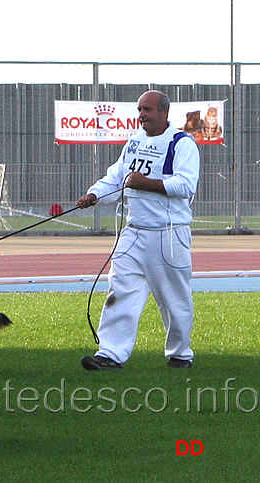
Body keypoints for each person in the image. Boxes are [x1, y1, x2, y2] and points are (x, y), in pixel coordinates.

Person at [76, 90, 200, 371]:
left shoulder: (181, 144)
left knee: (173, 297)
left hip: (168, 233)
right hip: (132, 231)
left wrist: (146, 183)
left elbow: (185, 185)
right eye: (140, 109)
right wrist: (94, 195)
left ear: (164, 113)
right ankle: (110, 354)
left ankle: (181, 354)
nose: (141, 115)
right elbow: (117, 178)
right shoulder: (134, 142)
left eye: (148, 109)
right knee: (120, 290)